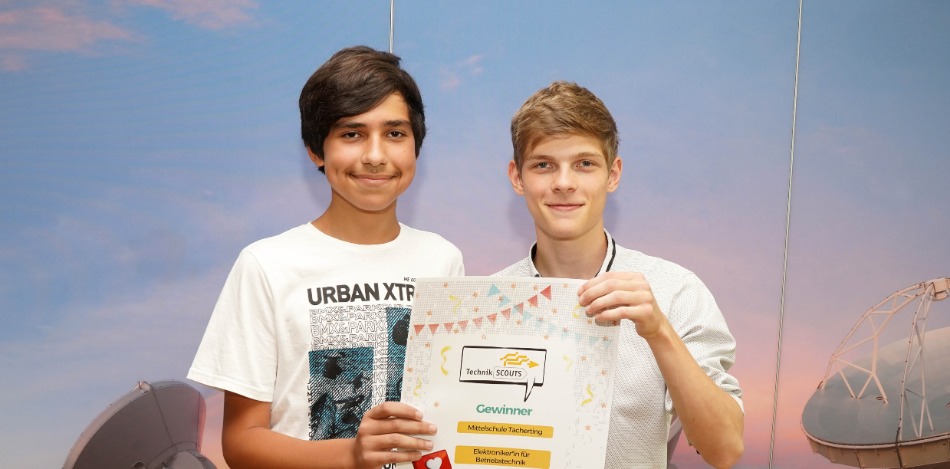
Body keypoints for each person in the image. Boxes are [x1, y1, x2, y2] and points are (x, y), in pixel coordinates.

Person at [187, 45, 464, 469]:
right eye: (351, 134)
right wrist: (352, 453)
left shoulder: (443, 260)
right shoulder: (265, 265)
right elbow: (241, 443)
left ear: (415, 147)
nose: (375, 155)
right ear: (317, 150)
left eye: (395, 133)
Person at [495, 81, 744, 468]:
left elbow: (725, 448)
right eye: (543, 164)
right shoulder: (486, 304)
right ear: (517, 177)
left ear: (613, 175)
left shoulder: (676, 292)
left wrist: (658, 330)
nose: (564, 182)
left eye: (585, 164)